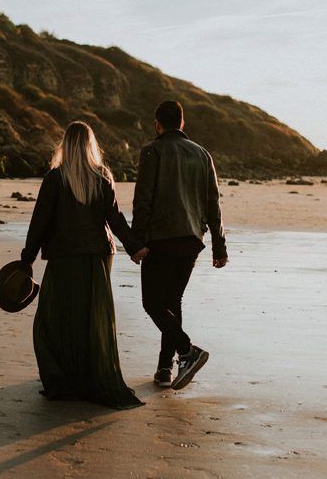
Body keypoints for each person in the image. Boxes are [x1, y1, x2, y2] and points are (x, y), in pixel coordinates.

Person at [21, 121, 145, 409]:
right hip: (98, 255)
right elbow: (115, 219)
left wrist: (27, 258)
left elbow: (40, 222)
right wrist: (134, 247)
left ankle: (64, 379)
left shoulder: (55, 178)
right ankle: (88, 377)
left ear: (66, 145)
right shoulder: (101, 177)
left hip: (65, 256)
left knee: (54, 320)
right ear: (91, 146)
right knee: (91, 319)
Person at [132, 100, 227, 391]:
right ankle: (165, 368)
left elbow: (143, 199)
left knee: (152, 303)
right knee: (172, 302)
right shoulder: (202, 154)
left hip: (161, 239)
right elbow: (213, 202)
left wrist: (138, 241)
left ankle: (187, 351)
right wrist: (218, 246)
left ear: (157, 123)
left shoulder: (153, 151)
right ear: (182, 123)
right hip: (191, 240)